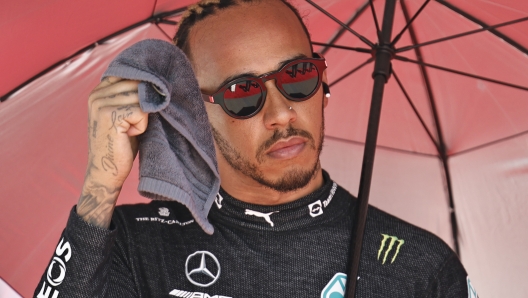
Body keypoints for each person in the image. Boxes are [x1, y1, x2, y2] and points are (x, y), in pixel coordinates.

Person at [35, 0, 473, 297]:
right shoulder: (137, 244)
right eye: (242, 92)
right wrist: (101, 183)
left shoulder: (419, 267)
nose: (282, 113)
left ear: (324, 85)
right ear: (193, 115)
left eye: (298, 76)